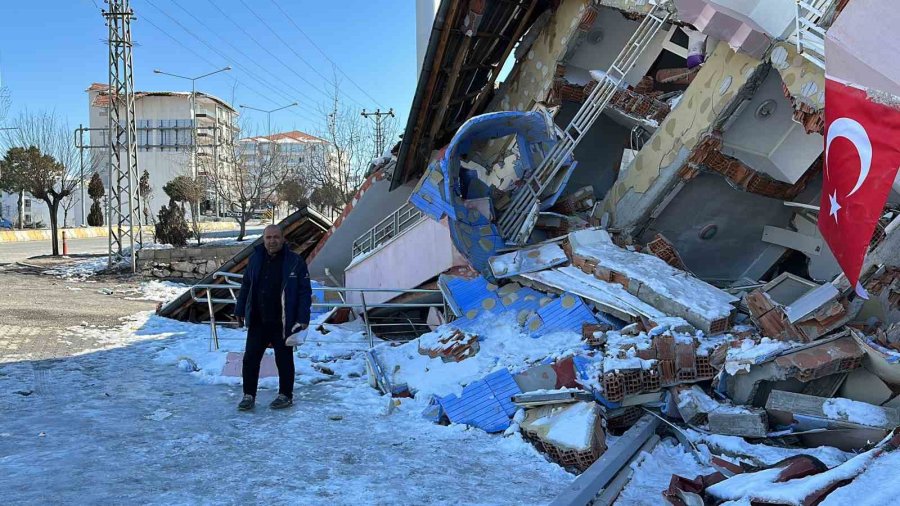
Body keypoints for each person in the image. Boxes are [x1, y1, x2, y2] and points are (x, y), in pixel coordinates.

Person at [233, 225, 312, 411]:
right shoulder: (255, 258)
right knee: (250, 359)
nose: (272, 241)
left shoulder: (295, 261)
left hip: (283, 321)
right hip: (258, 319)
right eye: (268, 237)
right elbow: (246, 285)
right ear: (263, 239)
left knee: (284, 360)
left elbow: (304, 292)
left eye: (276, 237)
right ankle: (248, 395)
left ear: (283, 239)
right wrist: (240, 309)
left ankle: (285, 395)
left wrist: (303, 317)